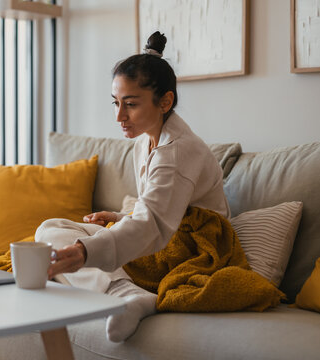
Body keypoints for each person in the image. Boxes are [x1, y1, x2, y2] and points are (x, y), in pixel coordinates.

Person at [35, 31, 231, 342]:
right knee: (49, 230)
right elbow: (153, 210)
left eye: (131, 104)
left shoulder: (178, 150)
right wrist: (118, 217)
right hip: (162, 234)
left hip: (191, 248)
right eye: (115, 103)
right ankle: (126, 291)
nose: (119, 116)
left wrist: (84, 252)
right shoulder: (144, 141)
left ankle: (124, 293)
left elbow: (153, 223)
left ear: (165, 101)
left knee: (68, 248)